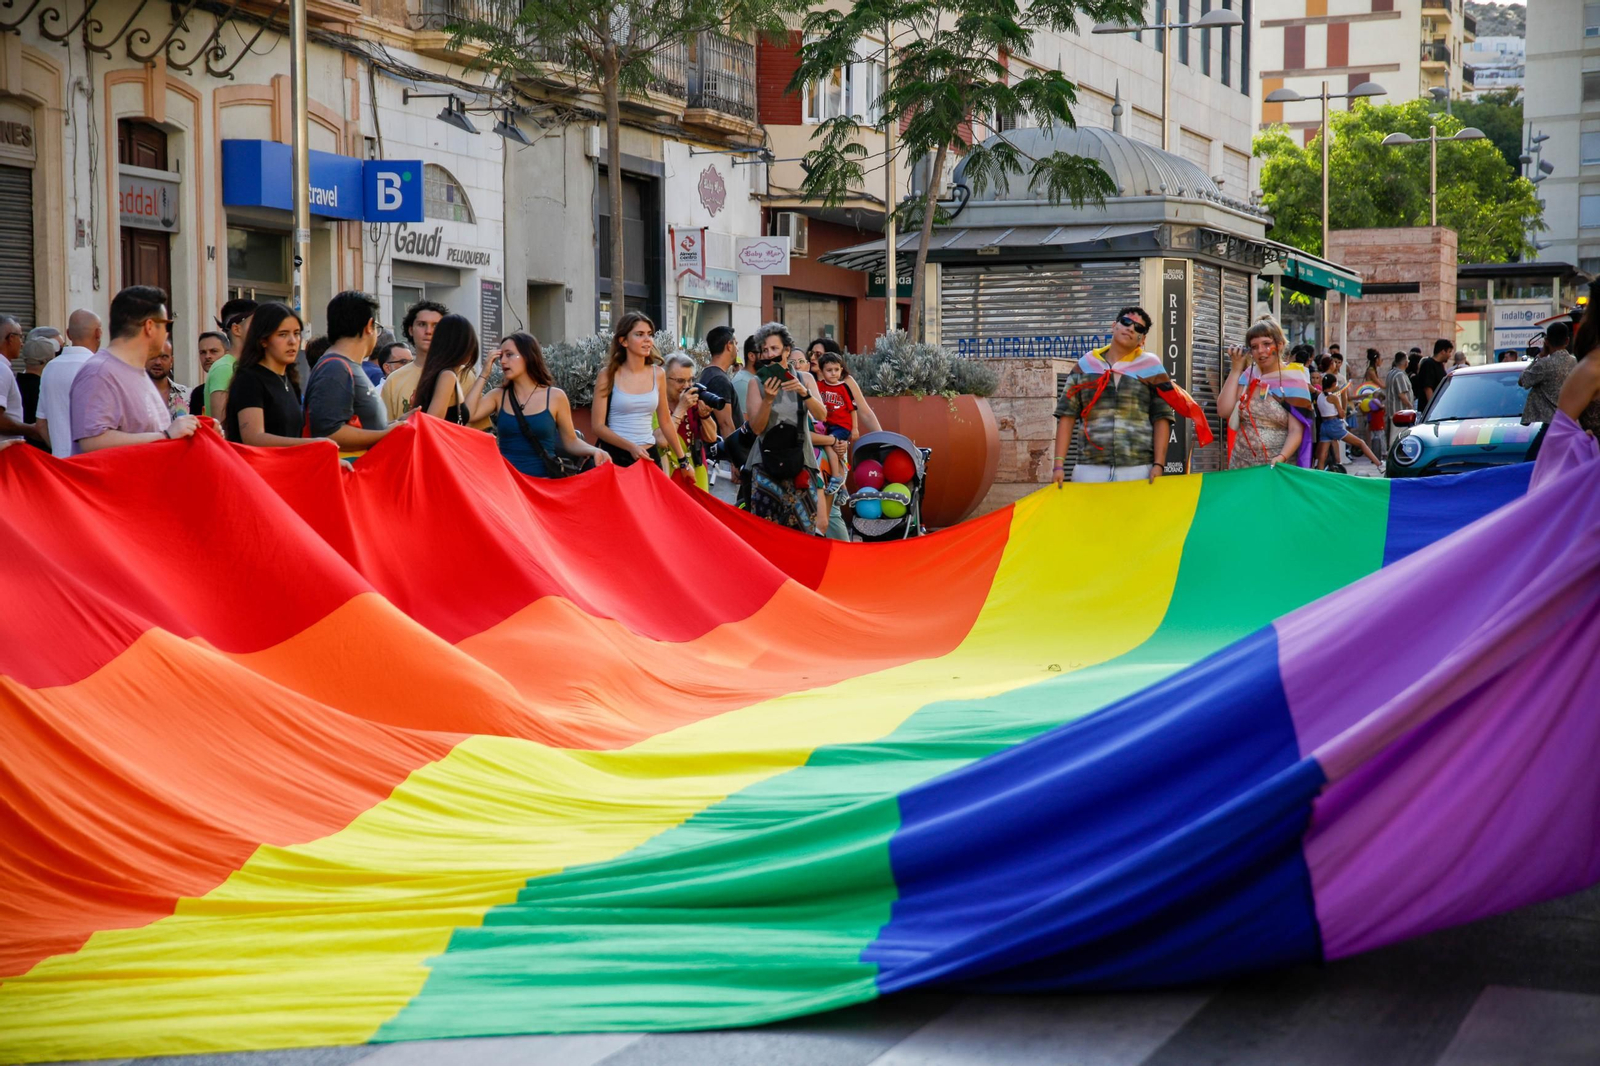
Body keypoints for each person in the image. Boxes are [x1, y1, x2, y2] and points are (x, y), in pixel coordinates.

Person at [68, 285, 202, 453]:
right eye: (166, 326)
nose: (167, 334)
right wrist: (165, 436)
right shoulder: (99, 373)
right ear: (150, 327)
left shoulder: (137, 371)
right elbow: (92, 442)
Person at [1051, 307, 1173, 484]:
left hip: (1138, 468)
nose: (1130, 328)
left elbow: (1162, 417)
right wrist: (1058, 466)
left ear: (1143, 340)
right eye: (1126, 322)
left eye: (1139, 328)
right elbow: (1067, 416)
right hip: (1089, 468)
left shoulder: (1151, 367)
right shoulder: (1085, 365)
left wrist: (1159, 464)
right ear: (1114, 325)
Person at [465, 331, 608, 477]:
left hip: (543, 483)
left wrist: (595, 450)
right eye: (501, 356)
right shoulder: (498, 395)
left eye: (509, 355)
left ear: (528, 356)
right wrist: (484, 374)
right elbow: (468, 414)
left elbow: (570, 441)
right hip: (508, 484)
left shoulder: (555, 397)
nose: (502, 361)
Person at [741, 321, 830, 530]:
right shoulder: (756, 383)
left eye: (774, 348)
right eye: (765, 350)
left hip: (801, 462)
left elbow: (822, 415)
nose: (769, 354)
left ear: (787, 350)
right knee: (766, 533)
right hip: (765, 464)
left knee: (803, 530)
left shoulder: (805, 379)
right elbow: (756, 428)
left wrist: (803, 392)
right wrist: (768, 400)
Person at [591, 311, 688, 472]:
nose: (647, 340)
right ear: (623, 341)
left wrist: (683, 461)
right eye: (639, 334)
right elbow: (598, 426)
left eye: (650, 334)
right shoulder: (607, 375)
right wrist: (631, 447)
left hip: (649, 456)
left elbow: (665, 421)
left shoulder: (658, 374)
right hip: (617, 456)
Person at [302, 291, 390, 460]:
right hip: (348, 477)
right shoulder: (335, 368)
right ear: (369, 326)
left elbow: (364, 425)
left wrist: (396, 424)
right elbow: (329, 432)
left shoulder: (344, 366)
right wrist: (386, 434)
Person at [223, 302, 323, 449]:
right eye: (282, 334)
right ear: (263, 340)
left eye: (296, 333)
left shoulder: (290, 380)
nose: (292, 342)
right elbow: (253, 437)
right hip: (258, 469)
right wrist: (313, 444)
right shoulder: (249, 379)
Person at [1217, 315, 1309, 470]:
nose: (1261, 351)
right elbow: (1224, 411)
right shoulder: (1248, 374)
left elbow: (1296, 430)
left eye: (1266, 344)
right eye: (1254, 346)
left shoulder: (1294, 379)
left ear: (1279, 345)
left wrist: (1281, 458)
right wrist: (1235, 369)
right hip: (1241, 465)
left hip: (1278, 466)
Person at [36, 309, 101, 456]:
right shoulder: (100, 368)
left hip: (60, 463)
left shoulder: (49, 368)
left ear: (68, 334)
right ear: (98, 333)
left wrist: (60, 450)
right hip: (91, 464)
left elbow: (41, 425)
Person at [381, 299, 446, 421]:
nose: (429, 331)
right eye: (422, 324)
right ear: (411, 330)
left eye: (436, 326)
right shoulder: (394, 380)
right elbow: (384, 429)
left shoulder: (462, 375)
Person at [664, 353, 719, 489]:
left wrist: (705, 416)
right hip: (668, 475)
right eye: (680, 381)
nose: (686, 386)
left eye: (690, 380)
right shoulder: (657, 406)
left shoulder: (693, 402)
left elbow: (711, 438)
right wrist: (681, 408)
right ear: (663, 380)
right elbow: (662, 440)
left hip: (697, 473)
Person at [1314, 373, 1383, 471]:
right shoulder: (1333, 398)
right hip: (1334, 426)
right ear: (1333, 384)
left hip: (1324, 426)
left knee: (1322, 456)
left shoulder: (1320, 396)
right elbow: (1342, 414)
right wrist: (1343, 403)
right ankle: (1379, 464)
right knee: (1361, 443)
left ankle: (1319, 476)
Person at [205, 298, 258, 422]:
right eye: (256, 323)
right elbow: (222, 424)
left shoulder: (249, 365)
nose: (261, 329)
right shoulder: (224, 368)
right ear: (236, 329)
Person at [1520, 320, 1575, 427]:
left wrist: (1539, 357)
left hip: (1551, 424)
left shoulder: (1543, 365)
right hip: (1571, 422)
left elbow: (1522, 381)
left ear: (1546, 341)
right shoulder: (1576, 363)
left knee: (1538, 444)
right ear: (1567, 341)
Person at [0, 317, 40, 445]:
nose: (22, 344)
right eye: (20, 337)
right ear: (11, 338)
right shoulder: (2, 370)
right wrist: (31, 429)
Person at [145, 341, 190, 421]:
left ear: (171, 361)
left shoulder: (187, 395)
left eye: (164, 357)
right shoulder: (132, 395)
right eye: (152, 356)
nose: (158, 362)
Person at [190, 331, 229, 416]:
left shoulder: (237, 385)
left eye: (213, 351)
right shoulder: (198, 394)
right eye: (203, 352)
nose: (207, 356)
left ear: (227, 353)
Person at [1384, 350, 1416, 444]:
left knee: (1395, 435)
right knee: (1397, 436)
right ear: (1405, 362)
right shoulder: (1399, 375)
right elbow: (1401, 394)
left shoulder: (1391, 373)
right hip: (1400, 412)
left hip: (1393, 411)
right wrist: (1411, 406)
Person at [1416, 338, 1451, 410]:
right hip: (1431, 411)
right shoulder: (1428, 364)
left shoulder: (1440, 365)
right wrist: (1434, 408)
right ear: (1443, 351)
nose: (1450, 355)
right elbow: (1428, 388)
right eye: (1449, 352)